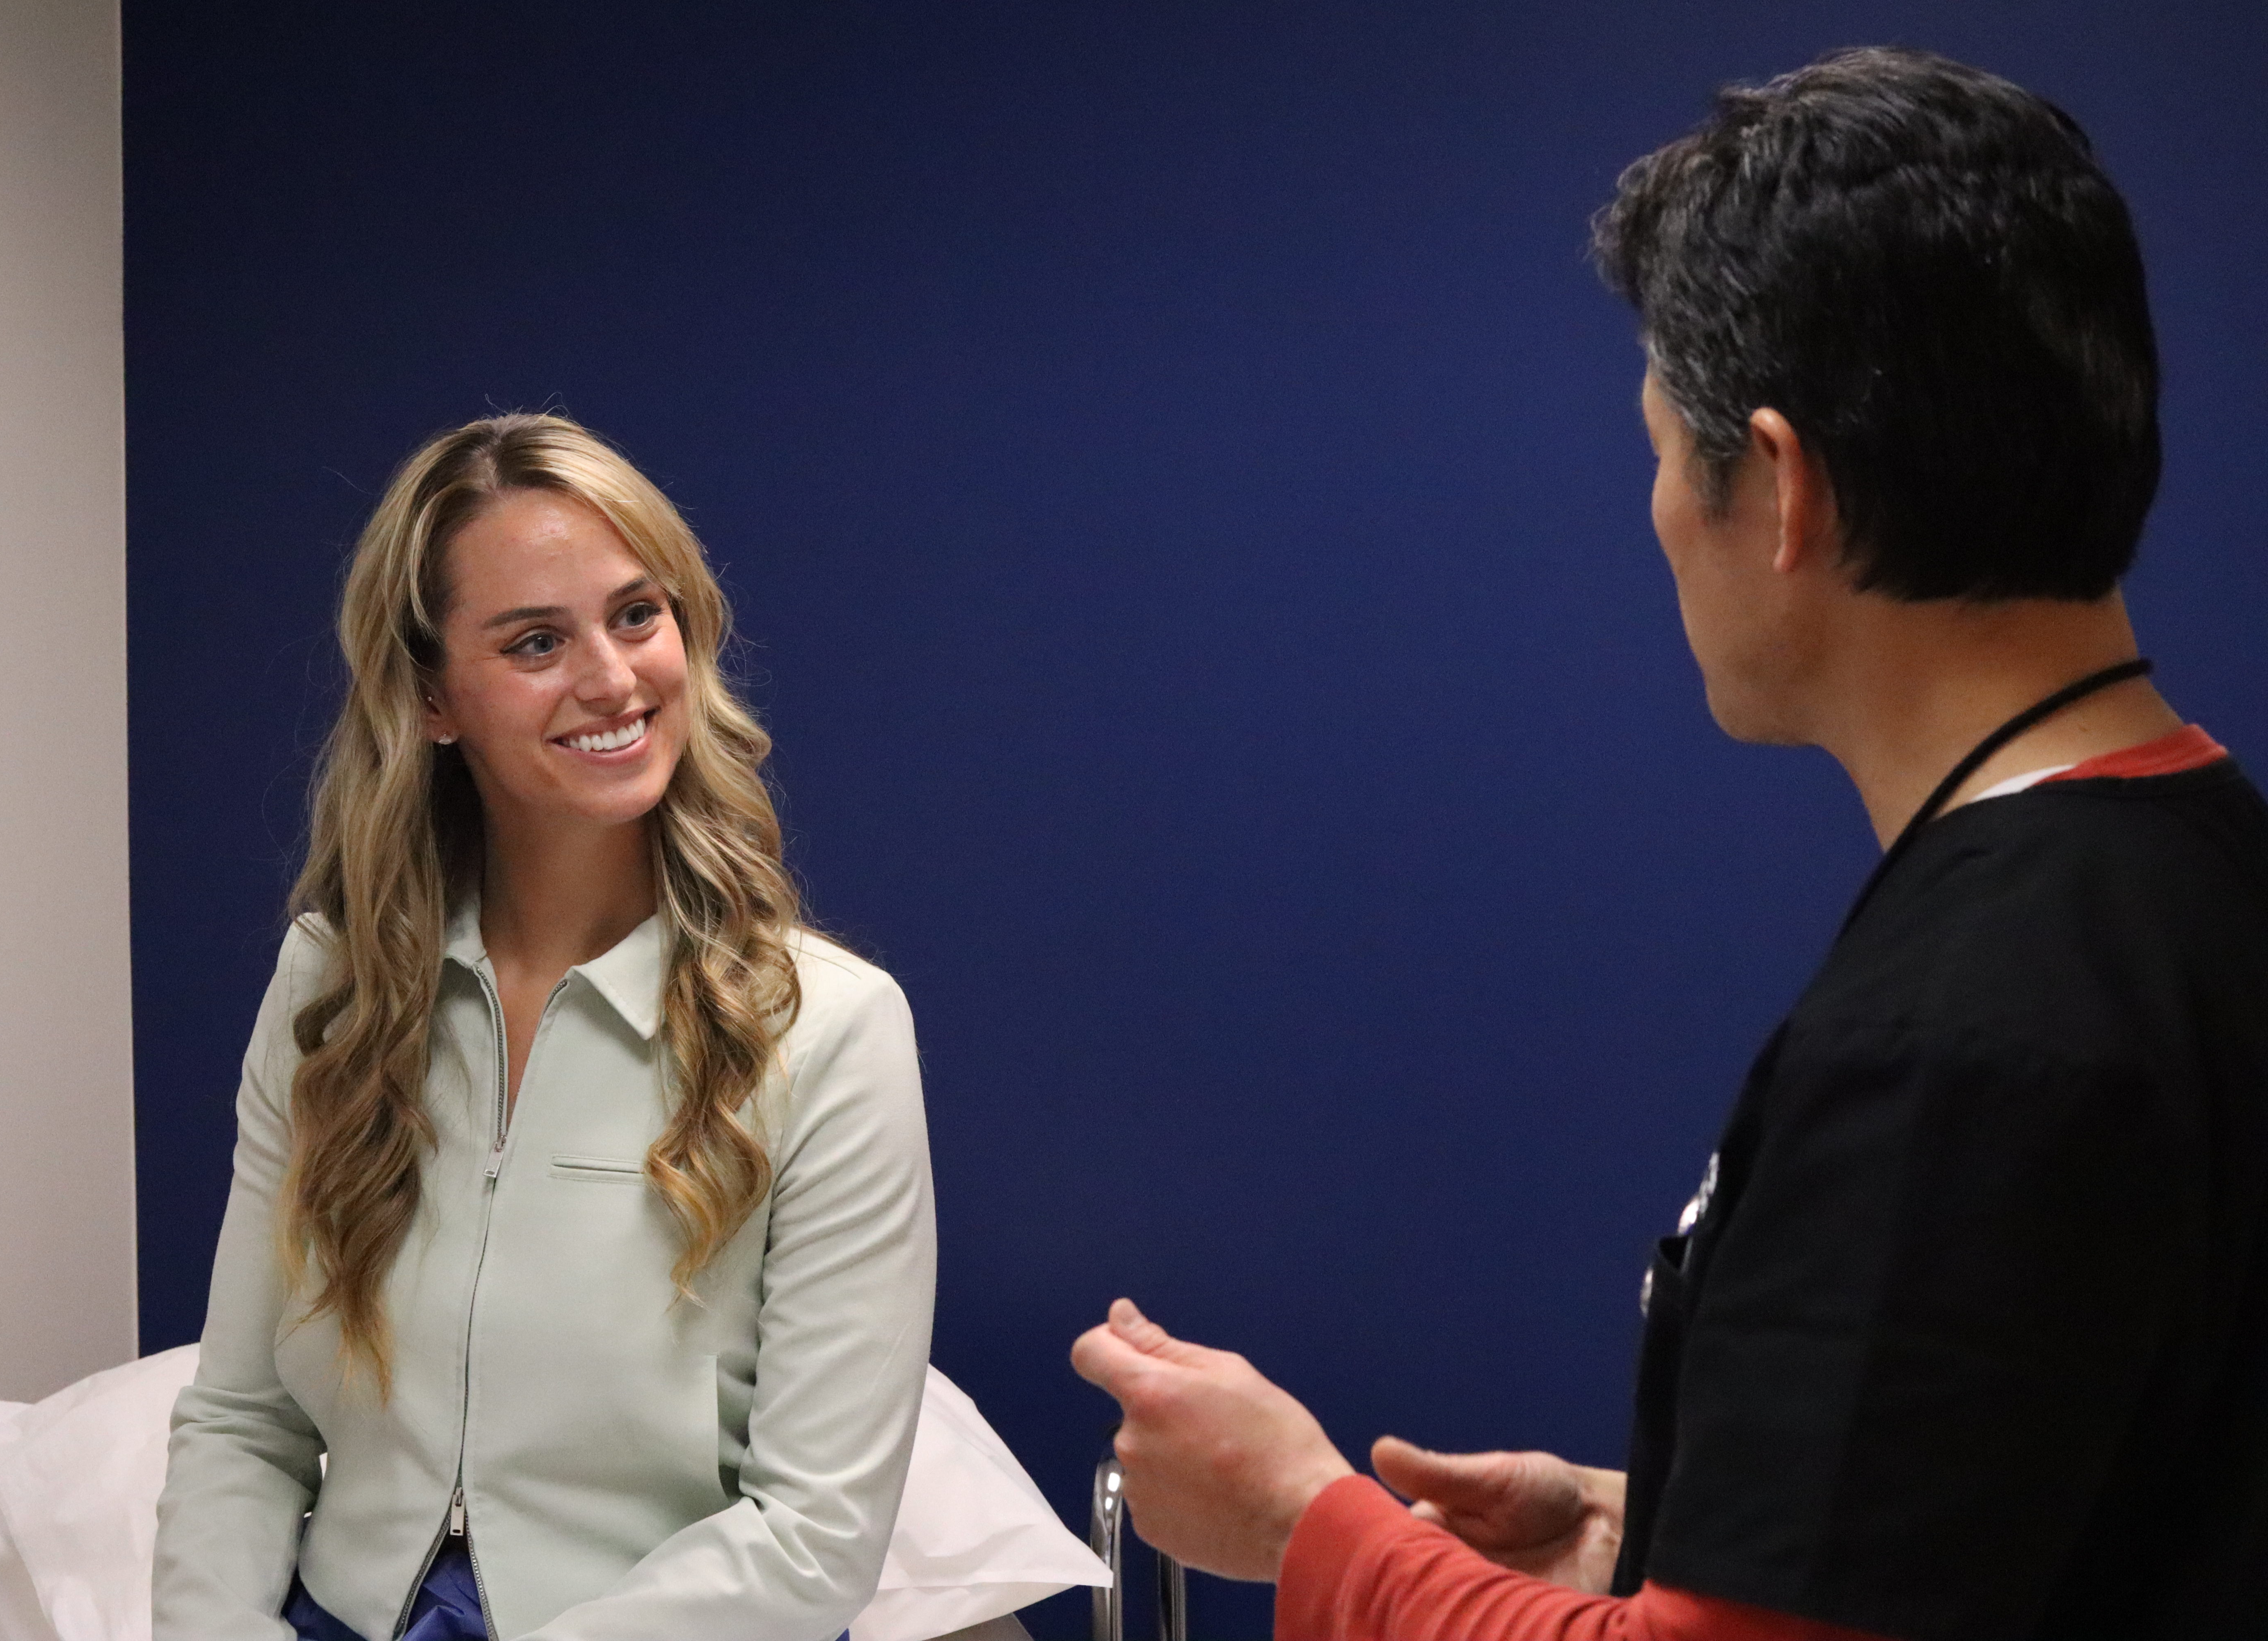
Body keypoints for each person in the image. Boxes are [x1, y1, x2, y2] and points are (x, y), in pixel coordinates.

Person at [1072, 46, 2268, 1641]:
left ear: (1777, 485)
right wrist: (1662, 1534)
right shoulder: (2201, 880)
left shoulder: (1957, 1041)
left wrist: (1307, 1524)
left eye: (1656, 451)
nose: (1654, 515)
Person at [152, 414, 937, 1641]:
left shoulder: (827, 1031)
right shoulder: (331, 990)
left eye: (638, 614)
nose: (615, 680)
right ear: (430, 697)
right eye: (535, 642)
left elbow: (815, 1536)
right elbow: (247, 1420)